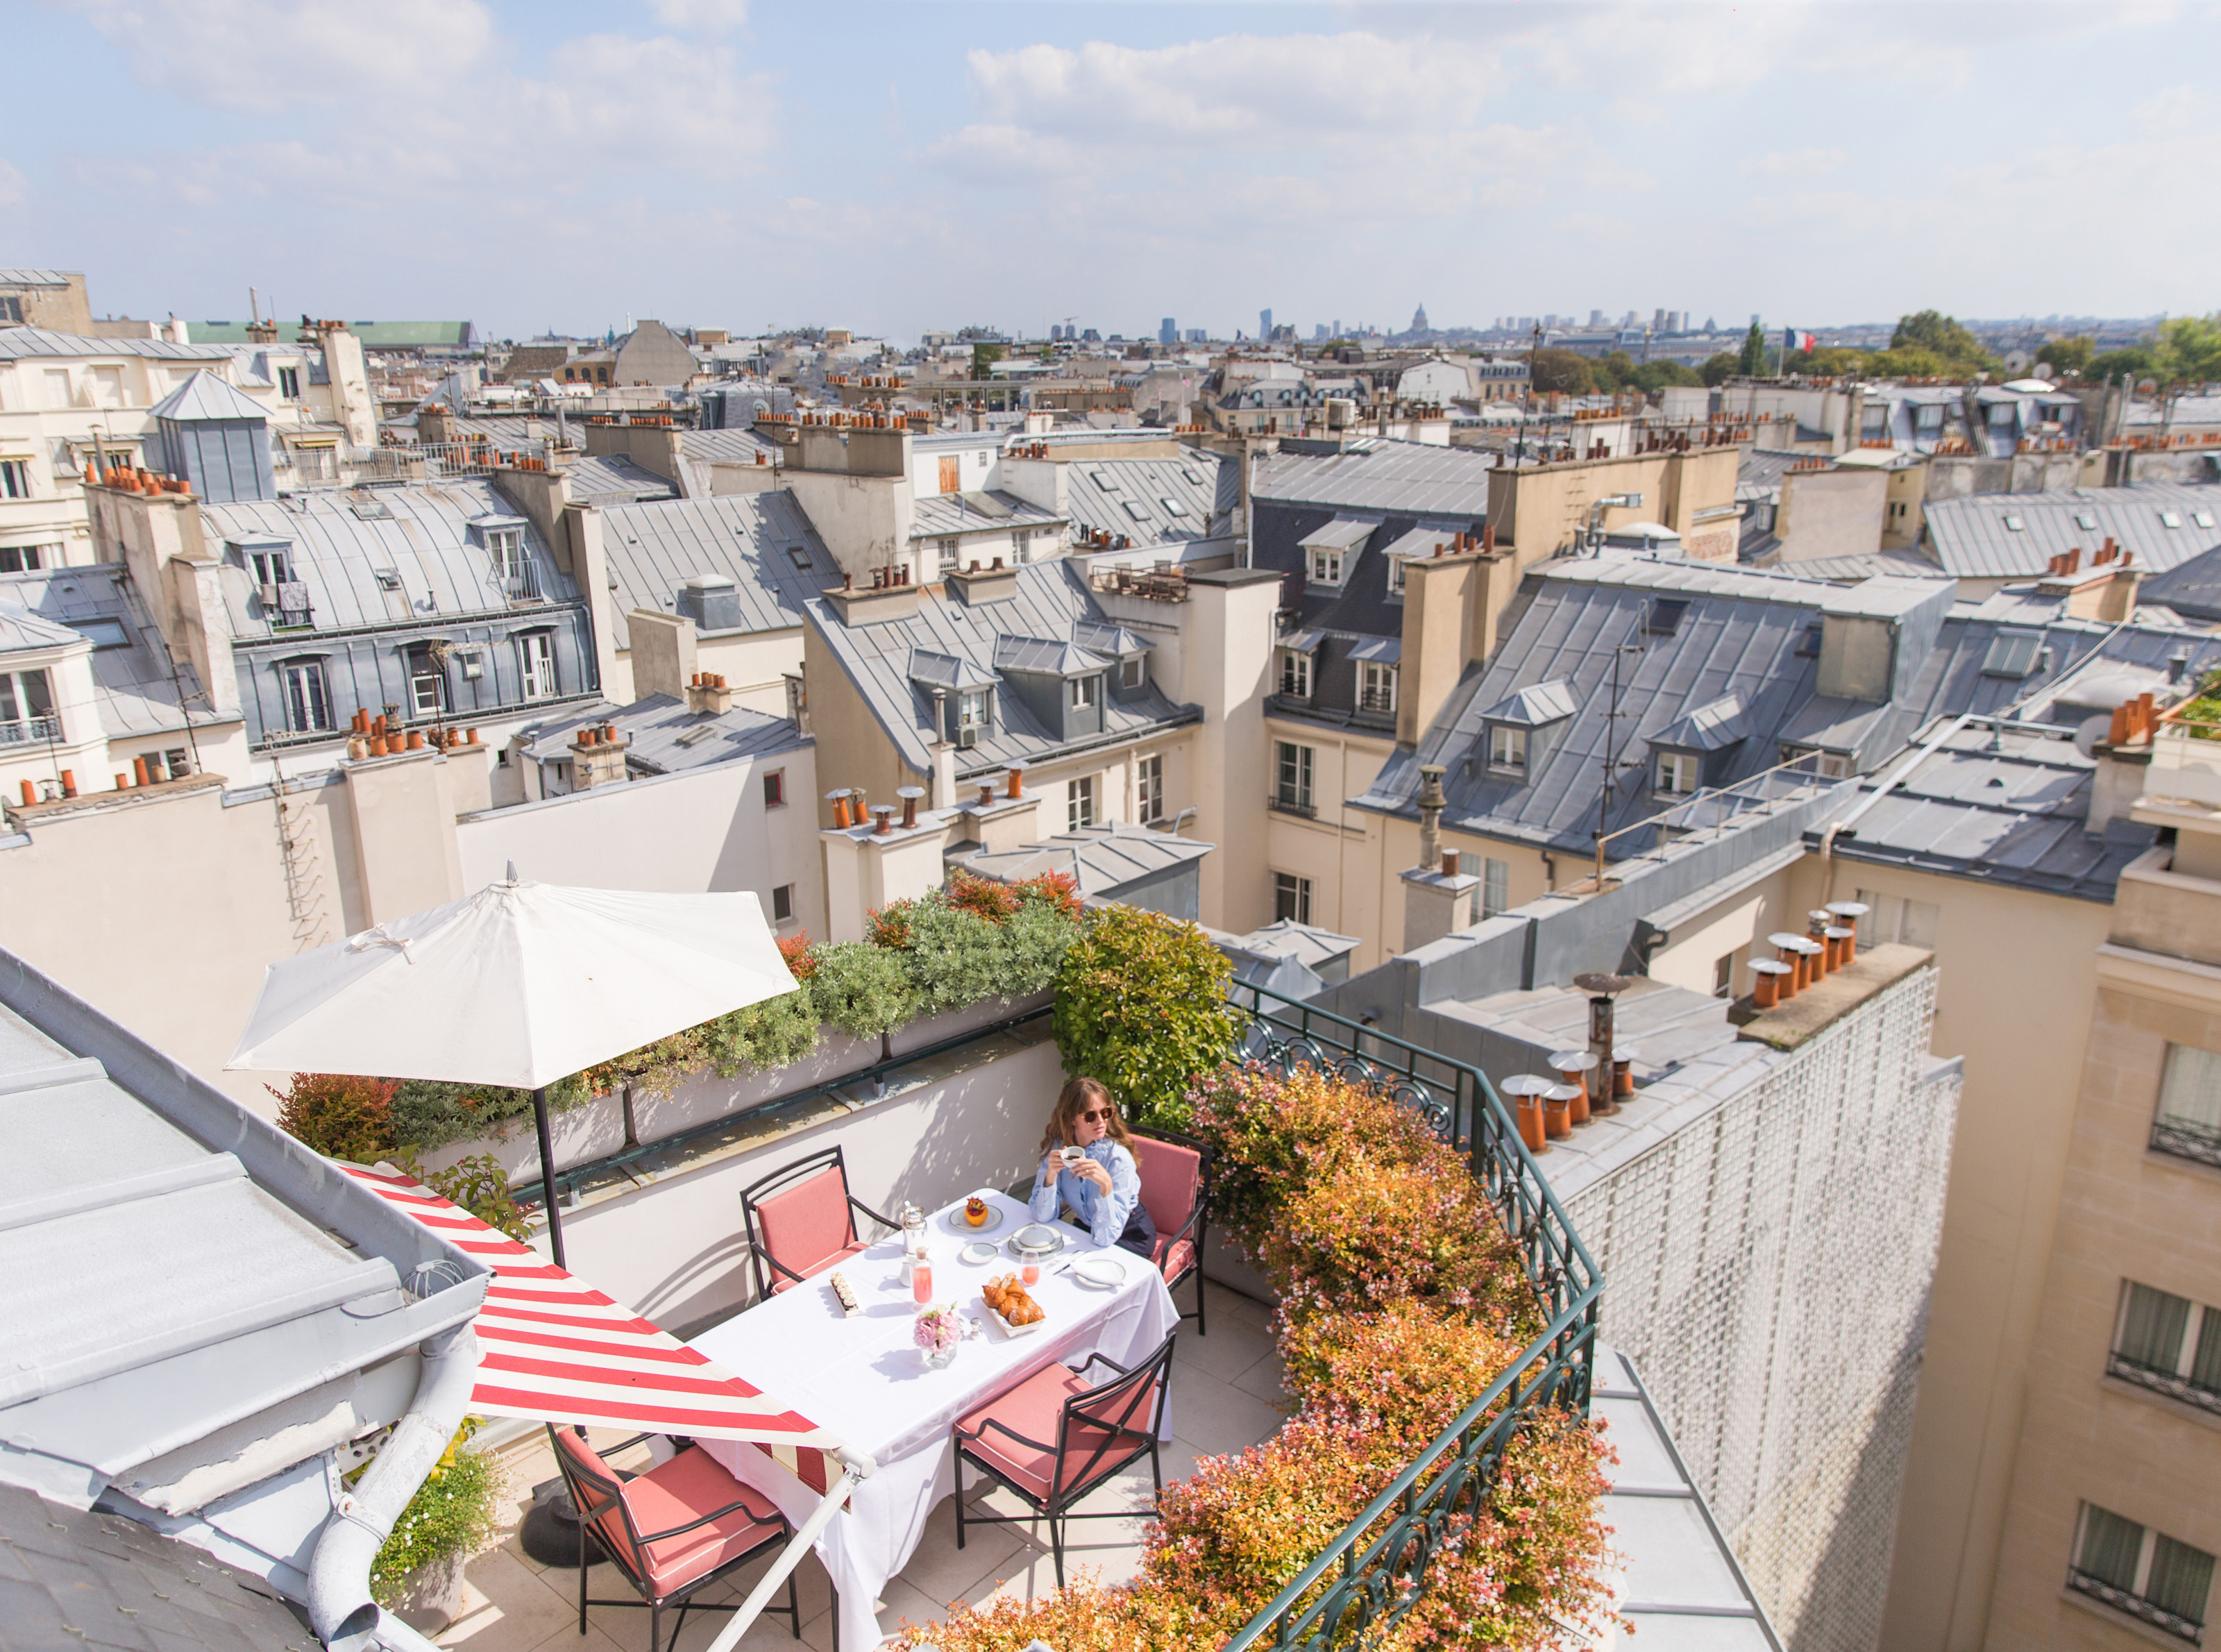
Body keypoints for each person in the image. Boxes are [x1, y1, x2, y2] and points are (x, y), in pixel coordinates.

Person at [1029, 1076, 1156, 1258]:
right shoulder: (1059, 1149)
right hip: (1088, 1229)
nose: (1101, 1121)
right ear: (1072, 1119)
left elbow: (1105, 1238)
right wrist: (1050, 1177)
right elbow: (1041, 1216)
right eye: (1090, 1116)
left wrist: (1106, 1186)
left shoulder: (1118, 1159)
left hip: (1129, 1233)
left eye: (1105, 1113)